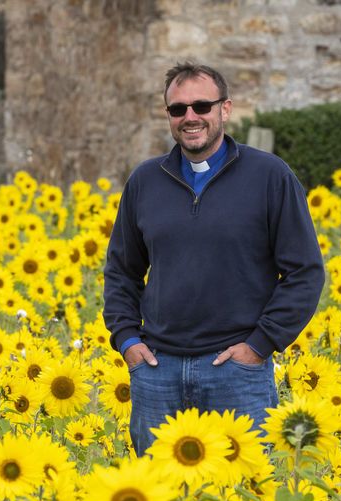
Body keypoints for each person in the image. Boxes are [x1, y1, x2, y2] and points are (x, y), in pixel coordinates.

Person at [102, 62, 324, 456]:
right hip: (157, 372)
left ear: (225, 108)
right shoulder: (145, 181)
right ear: (168, 115)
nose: (190, 117)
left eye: (202, 106)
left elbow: (304, 272)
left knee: (247, 498)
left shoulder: (270, 176)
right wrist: (127, 339)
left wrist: (259, 344)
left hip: (237, 373)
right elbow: (122, 270)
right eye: (178, 109)